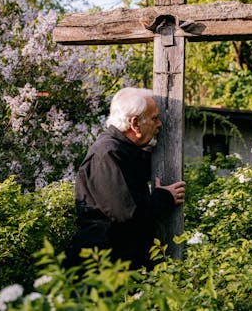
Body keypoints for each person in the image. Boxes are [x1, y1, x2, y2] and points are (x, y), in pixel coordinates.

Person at [64, 87, 185, 270]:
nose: (160, 124)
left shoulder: (122, 151)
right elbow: (128, 213)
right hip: (102, 268)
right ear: (135, 124)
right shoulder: (107, 154)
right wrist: (164, 197)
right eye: (154, 118)